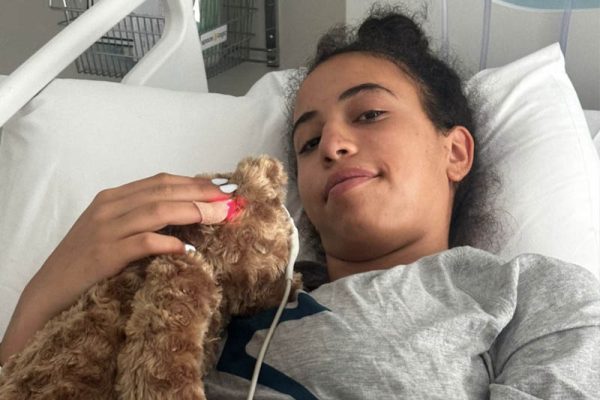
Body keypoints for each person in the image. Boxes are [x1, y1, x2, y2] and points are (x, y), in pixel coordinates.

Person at [1, 5, 599, 399]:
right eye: (307, 143)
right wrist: (42, 300)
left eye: (370, 113)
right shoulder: (221, 297)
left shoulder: (530, 294)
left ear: (456, 151)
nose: (332, 145)